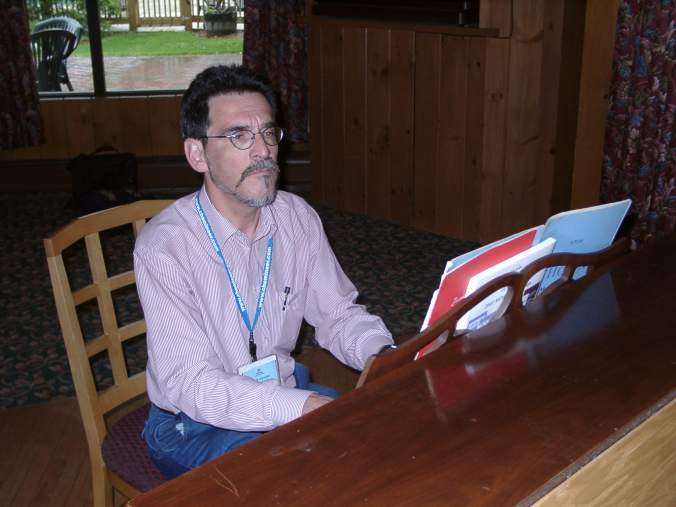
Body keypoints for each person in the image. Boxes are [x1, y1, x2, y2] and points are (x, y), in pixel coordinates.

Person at [134, 64, 395, 479]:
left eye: (269, 133)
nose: (263, 151)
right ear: (197, 154)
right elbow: (192, 385)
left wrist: (384, 356)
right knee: (311, 474)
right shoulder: (166, 246)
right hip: (193, 424)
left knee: (378, 441)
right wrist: (301, 406)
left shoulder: (296, 218)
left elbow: (338, 314)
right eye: (239, 136)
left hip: (279, 393)